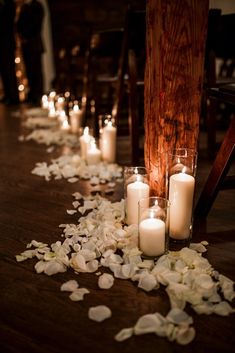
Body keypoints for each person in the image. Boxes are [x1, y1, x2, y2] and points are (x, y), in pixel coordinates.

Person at [17, 0, 45, 105]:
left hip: (34, 43)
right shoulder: (24, 7)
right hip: (26, 44)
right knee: (29, 70)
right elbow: (19, 23)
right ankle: (32, 94)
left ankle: (37, 94)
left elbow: (36, 23)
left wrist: (27, 35)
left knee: (36, 71)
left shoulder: (37, 6)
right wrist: (22, 35)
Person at [0, 0, 19, 105]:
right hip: (2, 44)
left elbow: (7, 23)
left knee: (9, 71)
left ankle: (13, 96)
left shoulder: (10, 5)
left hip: (7, 43)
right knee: (4, 71)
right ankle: (7, 94)